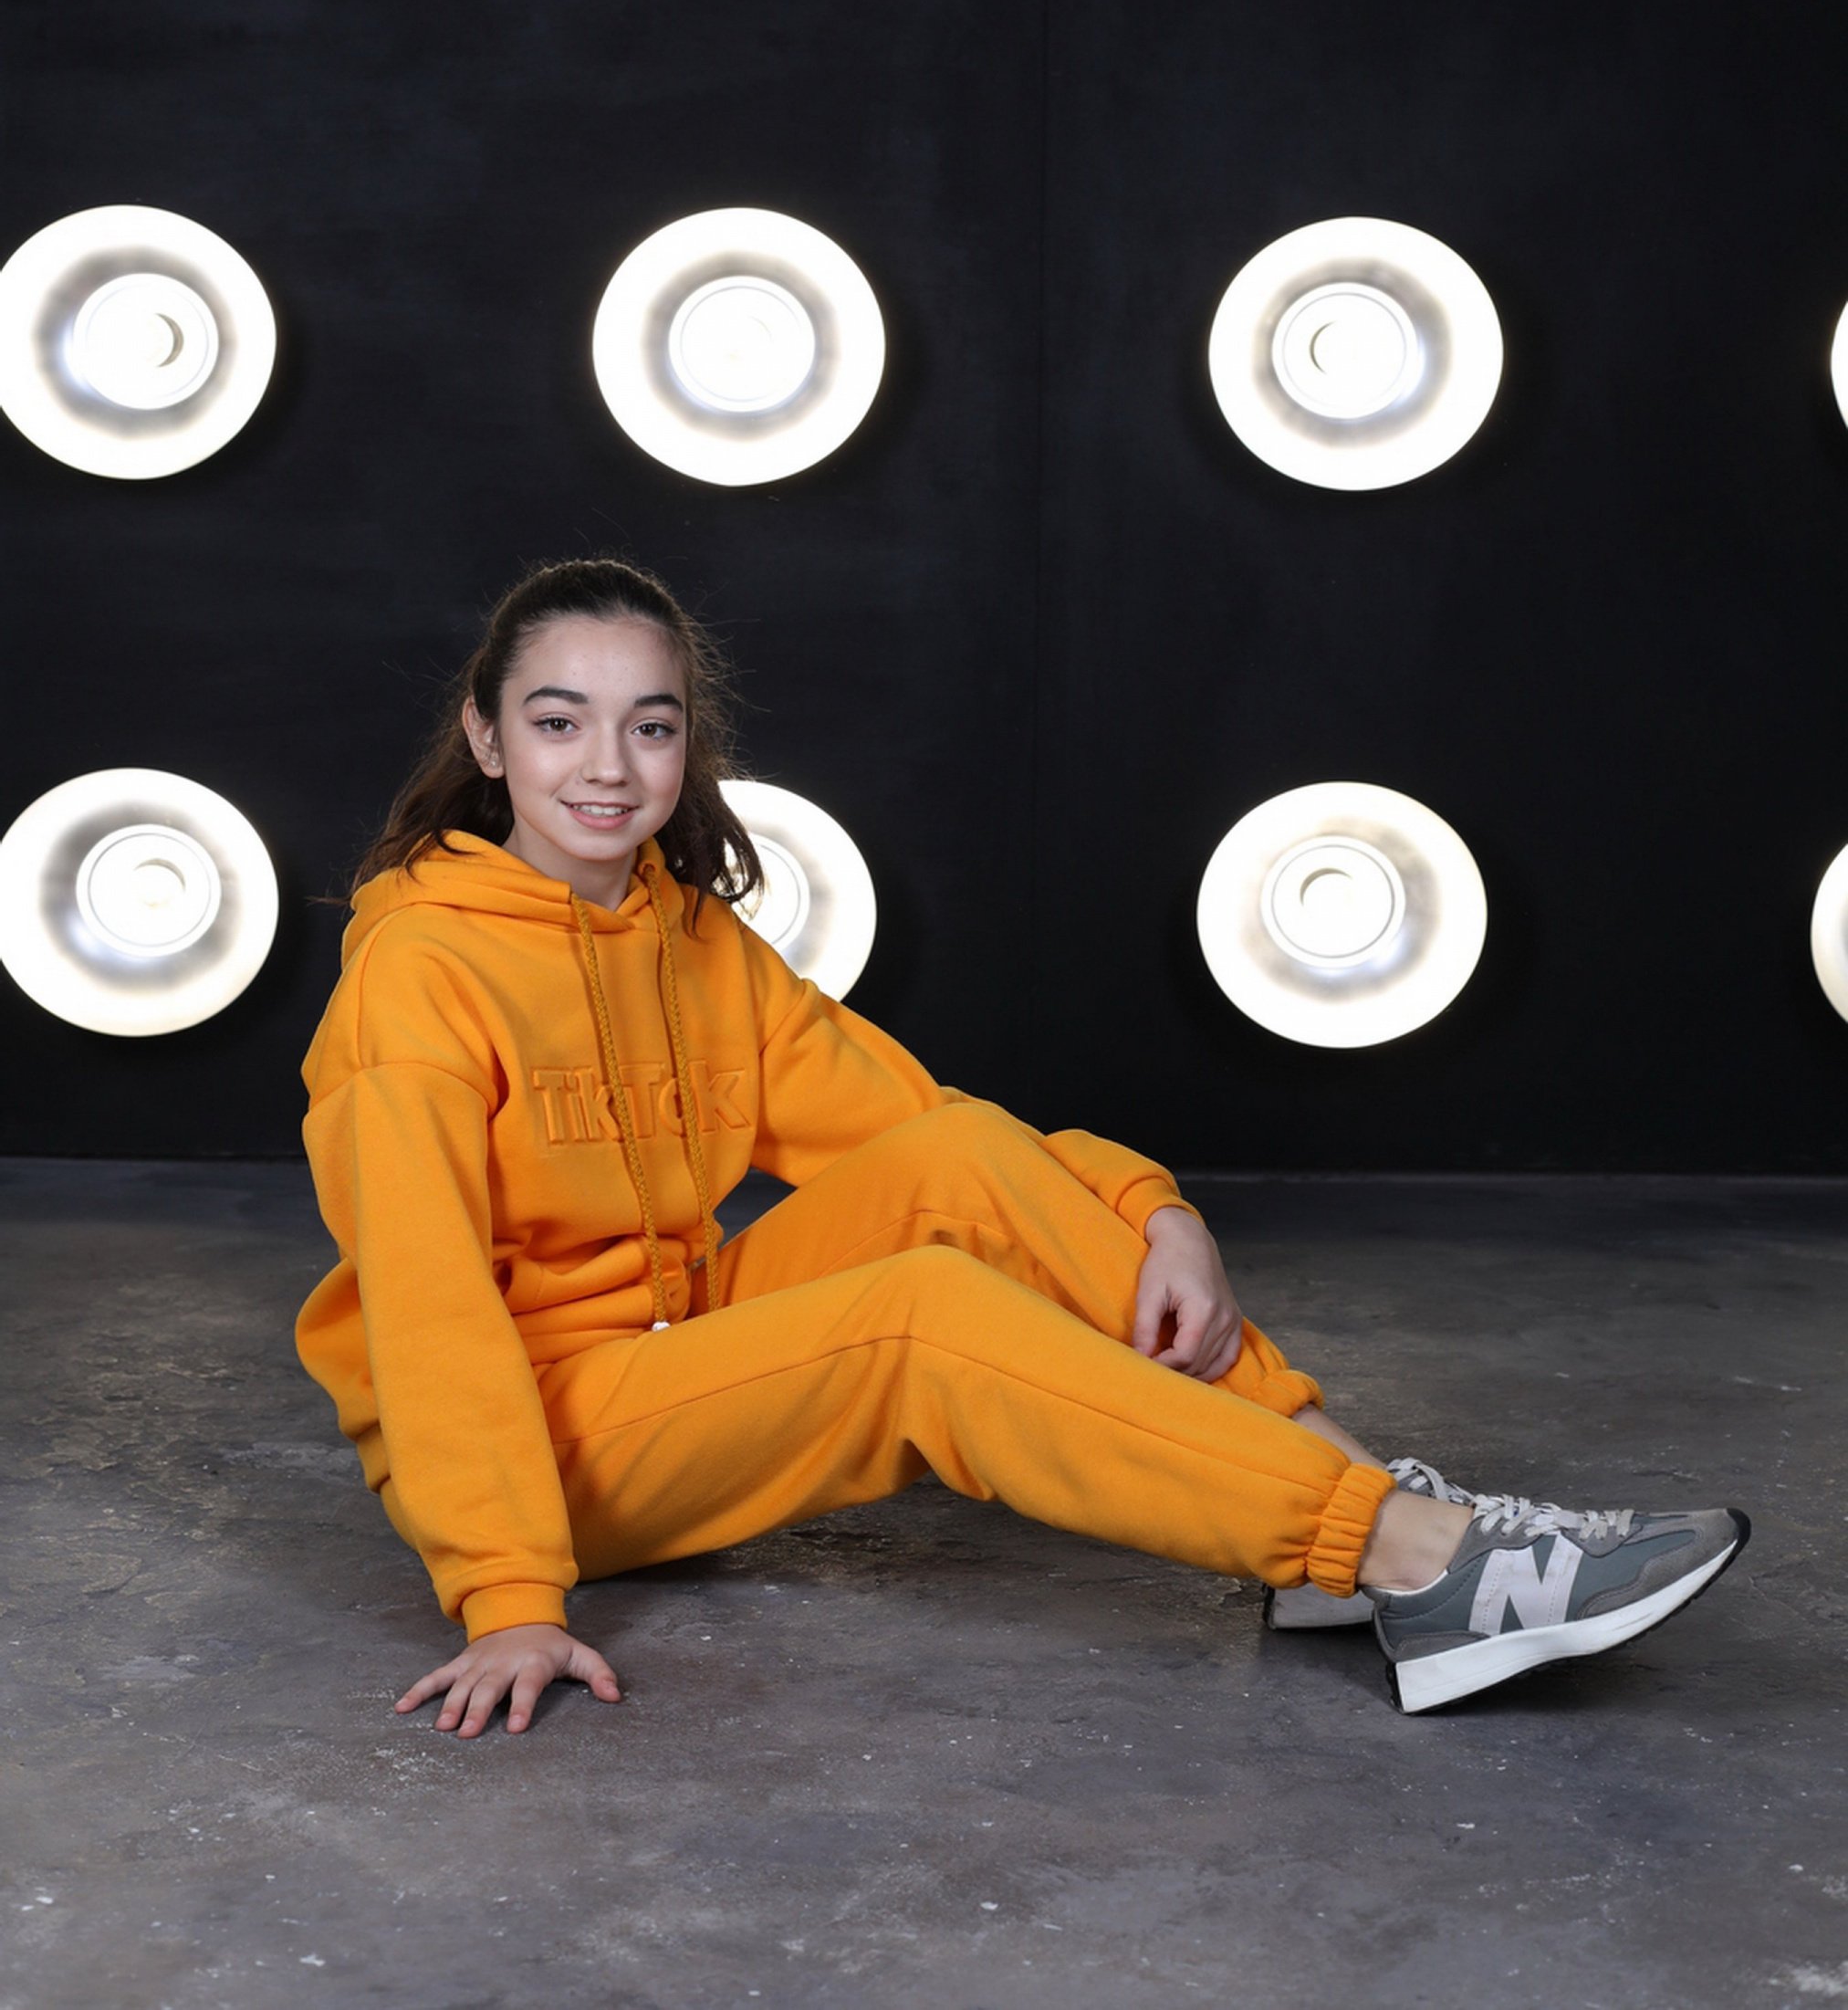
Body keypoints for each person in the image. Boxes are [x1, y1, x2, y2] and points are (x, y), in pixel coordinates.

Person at [297, 558, 1747, 1734]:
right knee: (917, 1322)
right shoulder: (419, 975)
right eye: (559, 722)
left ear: (690, 743)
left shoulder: (688, 940)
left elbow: (925, 1130)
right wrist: (509, 1592)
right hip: (540, 1450)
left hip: (672, 1345)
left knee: (965, 1164)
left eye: (651, 726)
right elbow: (428, 1308)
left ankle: (1377, 1524)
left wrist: (1150, 1206)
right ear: (486, 738)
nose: (608, 767)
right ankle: (1404, 1557)